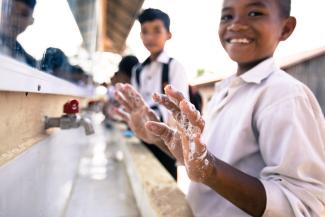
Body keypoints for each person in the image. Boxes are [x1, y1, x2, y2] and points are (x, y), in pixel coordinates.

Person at [114, 0, 325, 216]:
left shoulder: (285, 96)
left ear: (286, 28)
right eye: (227, 16)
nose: (236, 24)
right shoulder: (225, 90)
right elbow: (200, 157)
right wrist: (156, 136)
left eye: (254, 13)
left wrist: (210, 170)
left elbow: (304, 205)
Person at [130, 8, 189, 180]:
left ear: (168, 34)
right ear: (140, 36)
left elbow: (179, 107)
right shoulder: (138, 70)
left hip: (167, 142)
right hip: (144, 137)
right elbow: (136, 102)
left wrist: (151, 116)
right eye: (145, 32)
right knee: (143, 178)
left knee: (165, 180)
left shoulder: (174, 67)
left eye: (157, 30)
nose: (150, 37)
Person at [0, 0, 37, 67]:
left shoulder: (29, 63)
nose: (15, 18)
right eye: (10, 9)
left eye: (24, 14)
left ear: (31, 21)